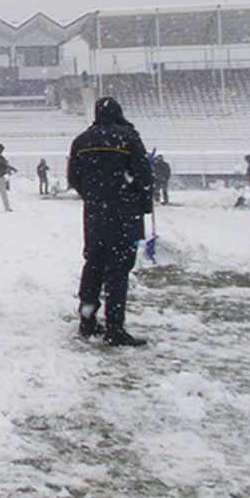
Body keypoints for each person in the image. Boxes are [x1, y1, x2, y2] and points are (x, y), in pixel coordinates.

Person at [67, 97, 153, 346]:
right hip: (124, 214)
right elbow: (144, 175)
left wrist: (92, 196)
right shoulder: (129, 138)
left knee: (93, 265)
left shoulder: (81, 141)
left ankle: (87, 319)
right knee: (118, 272)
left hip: (95, 215)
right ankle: (115, 327)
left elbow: (74, 177)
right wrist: (141, 203)